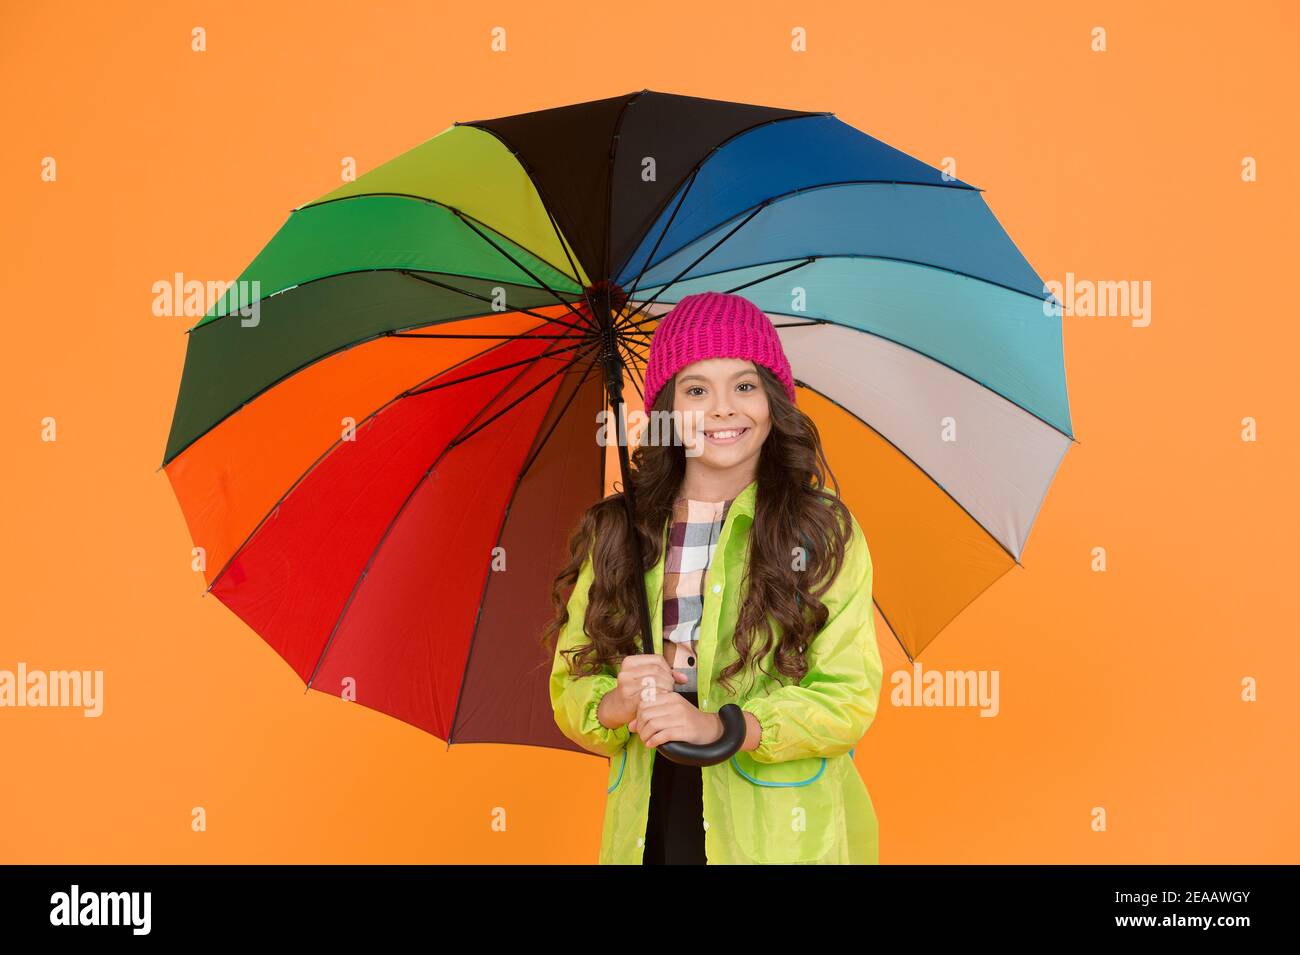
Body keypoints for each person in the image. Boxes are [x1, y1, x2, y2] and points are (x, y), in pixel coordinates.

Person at [543, 290, 883, 864]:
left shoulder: (819, 531)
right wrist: (617, 703)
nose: (723, 409)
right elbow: (571, 684)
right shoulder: (620, 532)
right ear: (668, 411)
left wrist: (723, 726)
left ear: (775, 400)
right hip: (655, 815)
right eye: (696, 389)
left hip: (778, 834)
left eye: (744, 385)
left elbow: (846, 698)